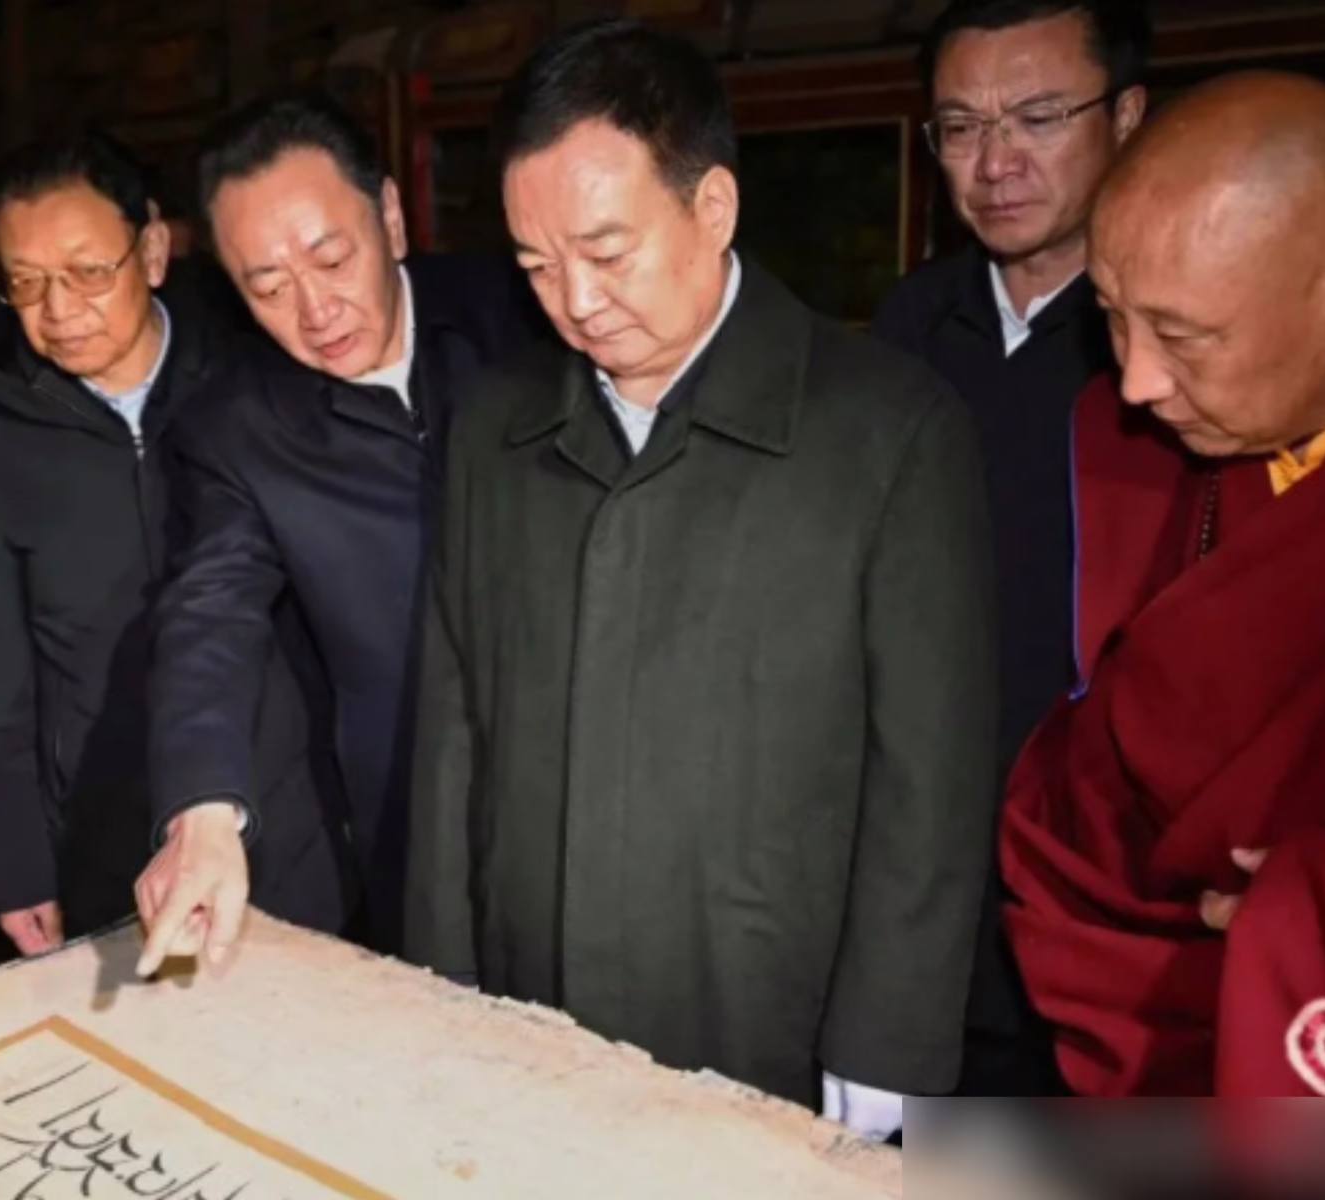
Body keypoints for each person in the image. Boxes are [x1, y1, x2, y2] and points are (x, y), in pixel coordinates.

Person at [403, 19, 999, 1139]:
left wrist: (884, 1049)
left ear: (711, 207)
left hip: (764, 1003)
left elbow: (931, 779)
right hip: (528, 997)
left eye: (605, 251)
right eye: (536, 265)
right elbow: (453, 733)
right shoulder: (495, 428)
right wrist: (441, 986)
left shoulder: (888, 431)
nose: (574, 301)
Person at [1001, 72, 1325, 1096]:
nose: (1137, 381)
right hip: (1143, 999)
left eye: (1183, 336)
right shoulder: (1126, 438)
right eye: (1111, 318)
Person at [136, 91, 545, 967]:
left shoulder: (530, 319)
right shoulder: (237, 428)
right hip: (411, 818)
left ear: (391, 217)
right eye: (269, 286)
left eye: (331, 258)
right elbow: (211, 614)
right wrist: (203, 812)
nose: (315, 310)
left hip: (593, 783)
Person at [0, 135, 328, 962]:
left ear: (151, 250)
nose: (60, 310)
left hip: (288, 807)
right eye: (26, 284)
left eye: (86, 273)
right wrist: (14, 866)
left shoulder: (254, 381)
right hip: (104, 829)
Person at [869, 0, 1149, 1096]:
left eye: (1036, 117)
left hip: (1104, 872)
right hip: (924, 862)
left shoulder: (1169, 333)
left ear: (1125, 115)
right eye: (958, 126)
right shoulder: (907, 327)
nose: (995, 164)